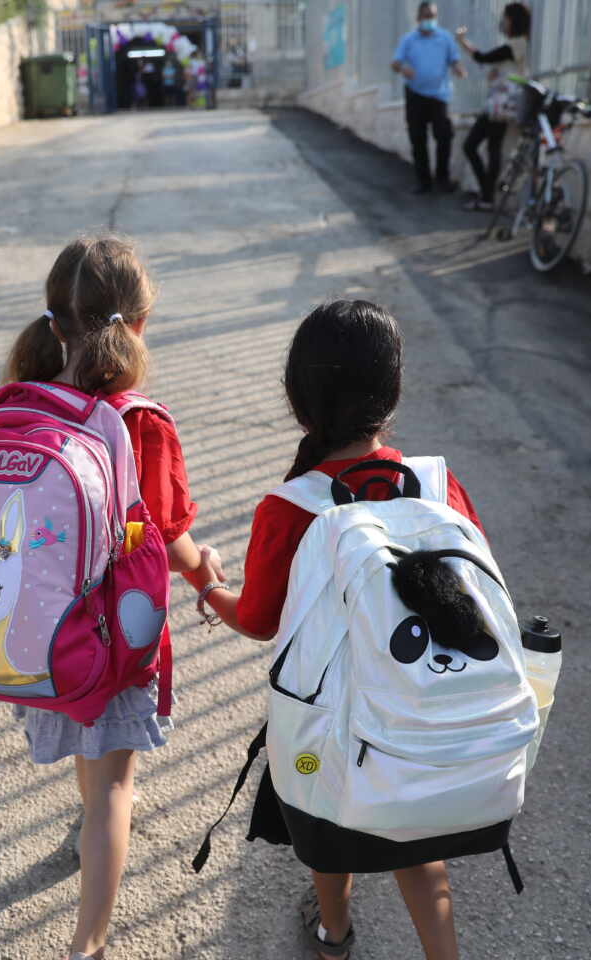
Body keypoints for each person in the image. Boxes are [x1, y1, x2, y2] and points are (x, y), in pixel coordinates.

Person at [197, 300, 488, 960]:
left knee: (329, 830)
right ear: (390, 396)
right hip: (419, 712)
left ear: (298, 401)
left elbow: (259, 620)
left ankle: (333, 933)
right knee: (421, 847)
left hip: (330, 722)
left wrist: (207, 586)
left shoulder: (291, 506)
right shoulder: (439, 486)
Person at [3, 235, 225, 960]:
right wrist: (208, 576)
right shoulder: (139, 421)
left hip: (40, 633)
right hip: (116, 640)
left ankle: (83, 824)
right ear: (138, 324)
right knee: (115, 793)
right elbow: (169, 533)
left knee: (86, 752)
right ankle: (88, 946)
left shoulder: (25, 402)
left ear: (55, 322)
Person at [457, 3, 531, 211]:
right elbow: (499, 66)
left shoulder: (516, 44)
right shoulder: (516, 45)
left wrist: (462, 41)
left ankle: (486, 193)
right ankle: (487, 198)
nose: (503, 22)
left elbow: (483, 57)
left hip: (500, 107)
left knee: (471, 145)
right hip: (501, 106)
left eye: (506, 17)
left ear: (513, 20)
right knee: (492, 149)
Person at [391, 3, 467, 194]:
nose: (429, 20)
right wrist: (402, 68)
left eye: (432, 16)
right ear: (418, 18)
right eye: (426, 16)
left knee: (444, 136)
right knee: (418, 139)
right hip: (415, 94)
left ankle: (442, 178)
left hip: (438, 95)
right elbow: (395, 62)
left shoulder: (445, 37)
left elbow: (454, 59)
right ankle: (423, 181)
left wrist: (458, 68)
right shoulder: (408, 39)